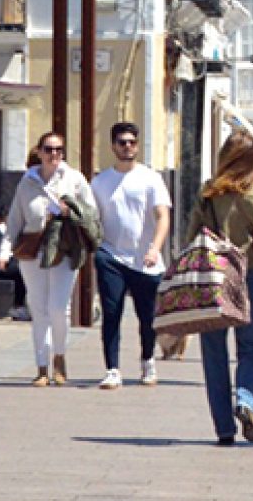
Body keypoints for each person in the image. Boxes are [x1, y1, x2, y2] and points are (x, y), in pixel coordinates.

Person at [194, 130, 253, 445]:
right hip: (252, 273)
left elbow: (193, 234)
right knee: (252, 347)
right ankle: (245, 399)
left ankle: (224, 427)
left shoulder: (208, 193)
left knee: (214, 352)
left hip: (216, 274)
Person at [0, 131, 97, 386]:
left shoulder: (74, 179)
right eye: (49, 149)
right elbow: (15, 220)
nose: (54, 154)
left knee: (58, 309)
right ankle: (42, 367)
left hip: (64, 249)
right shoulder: (27, 182)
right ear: (40, 151)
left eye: (58, 149)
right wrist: (4, 250)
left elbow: (91, 213)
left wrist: (70, 211)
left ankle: (60, 358)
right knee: (39, 309)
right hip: (33, 251)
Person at [91, 121, 173, 390]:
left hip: (145, 261)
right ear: (113, 146)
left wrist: (155, 247)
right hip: (110, 255)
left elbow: (163, 216)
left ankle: (148, 360)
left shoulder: (151, 178)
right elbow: (92, 219)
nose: (128, 147)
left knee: (147, 316)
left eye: (132, 142)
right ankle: (112, 369)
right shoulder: (101, 182)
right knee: (111, 312)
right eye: (122, 142)